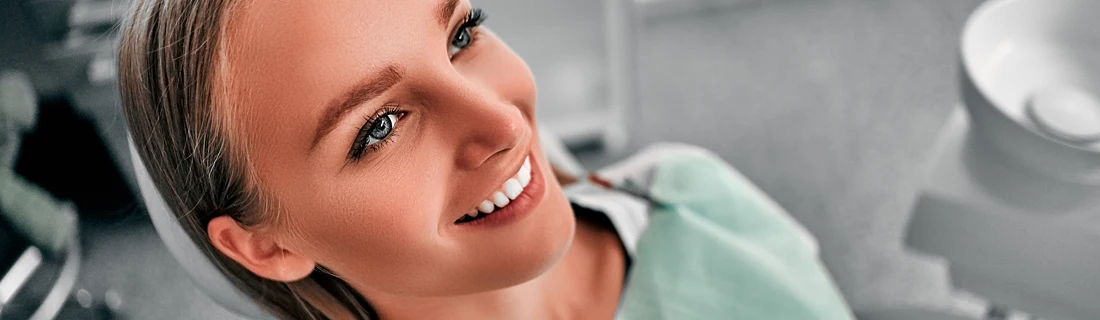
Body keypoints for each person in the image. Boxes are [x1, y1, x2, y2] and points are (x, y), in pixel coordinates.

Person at [119, 1, 851, 319]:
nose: (503, 122)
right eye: (378, 127)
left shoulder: (691, 196)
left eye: (462, 33)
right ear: (267, 244)